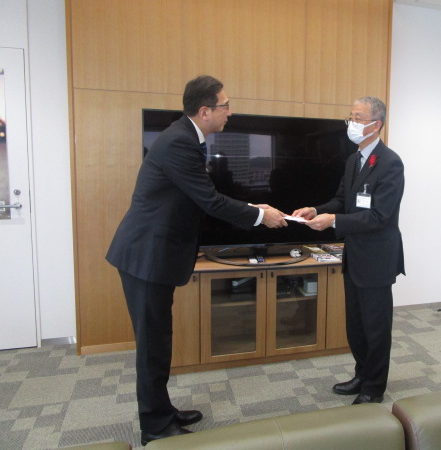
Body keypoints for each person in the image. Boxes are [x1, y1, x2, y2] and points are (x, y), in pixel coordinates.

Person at [106, 75, 287, 445]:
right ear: (205, 111)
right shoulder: (179, 142)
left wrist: (252, 205)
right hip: (146, 256)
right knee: (153, 345)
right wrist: (259, 215)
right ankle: (155, 426)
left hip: (153, 254)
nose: (230, 112)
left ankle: (162, 410)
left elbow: (200, 195)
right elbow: (209, 200)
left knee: (159, 339)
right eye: (225, 106)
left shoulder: (186, 138)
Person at [292, 96, 405, 404]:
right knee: (355, 325)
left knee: (376, 327)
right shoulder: (353, 160)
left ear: (376, 125)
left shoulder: (391, 163)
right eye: (350, 118)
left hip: (377, 259)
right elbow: (342, 200)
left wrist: (334, 221)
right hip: (354, 255)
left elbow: (380, 216)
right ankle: (361, 375)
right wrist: (317, 210)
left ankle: (374, 388)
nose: (351, 124)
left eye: (358, 118)